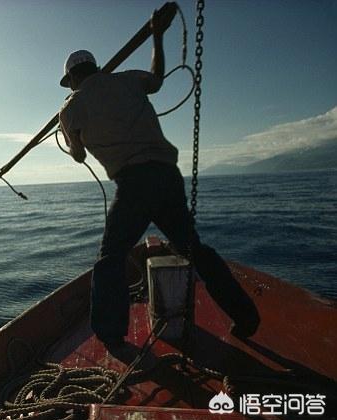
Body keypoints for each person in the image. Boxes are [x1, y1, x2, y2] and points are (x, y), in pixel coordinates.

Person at [58, 9, 260, 346]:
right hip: (167, 177)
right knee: (192, 248)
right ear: (94, 69)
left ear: (73, 79)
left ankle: (110, 334)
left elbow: (78, 155)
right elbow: (158, 78)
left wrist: (70, 132)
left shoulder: (69, 109)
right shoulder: (128, 80)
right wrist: (156, 35)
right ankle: (245, 315)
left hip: (134, 185)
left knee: (110, 258)